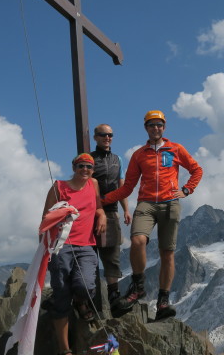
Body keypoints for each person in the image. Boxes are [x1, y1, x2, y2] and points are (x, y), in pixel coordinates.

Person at [102, 110, 203, 320]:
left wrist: (186, 190)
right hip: (146, 203)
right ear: (146, 128)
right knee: (138, 240)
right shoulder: (139, 154)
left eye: (159, 125)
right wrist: (101, 201)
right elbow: (127, 187)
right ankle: (138, 287)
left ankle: (163, 300)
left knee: (168, 253)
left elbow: (196, 170)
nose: (155, 128)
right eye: (151, 125)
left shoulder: (176, 149)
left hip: (170, 203)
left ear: (164, 127)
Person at [42, 153, 106, 355]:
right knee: (61, 294)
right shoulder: (58, 187)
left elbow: (98, 206)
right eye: (81, 166)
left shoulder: (93, 183)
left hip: (86, 245)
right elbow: (45, 218)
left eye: (88, 166)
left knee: (86, 286)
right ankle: (65, 349)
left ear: (92, 169)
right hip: (62, 246)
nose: (85, 170)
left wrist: (102, 214)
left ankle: (80, 301)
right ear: (74, 167)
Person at [90, 124, 131, 310]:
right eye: (103, 135)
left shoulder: (118, 159)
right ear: (95, 137)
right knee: (90, 255)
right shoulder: (89, 158)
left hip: (112, 209)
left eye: (110, 135)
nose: (107, 137)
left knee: (112, 255)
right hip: (90, 211)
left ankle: (114, 295)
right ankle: (88, 297)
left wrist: (126, 210)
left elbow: (121, 185)